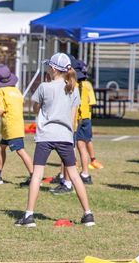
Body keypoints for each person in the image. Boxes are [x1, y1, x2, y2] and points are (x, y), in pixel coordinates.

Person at [14, 53, 95, 227]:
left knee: (37, 174)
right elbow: (72, 117)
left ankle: (29, 215)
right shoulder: (73, 88)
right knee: (74, 175)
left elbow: (35, 108)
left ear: (53, 69)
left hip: (45, 135)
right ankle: (88, 215)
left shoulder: (44, 87)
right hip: (65, 136)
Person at [51, 56, 97, 194]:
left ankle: (65, 178)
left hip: (74, 121)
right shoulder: (87, 85)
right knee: (81, 147)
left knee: (67, 149)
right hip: (86, 118)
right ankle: (85, 174)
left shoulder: (70, 86)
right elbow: (91, 102)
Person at [0, 64, 34, 185]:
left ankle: (34, 177)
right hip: (16, 124)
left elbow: (0, 110)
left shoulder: (1, 91)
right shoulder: (16, 90)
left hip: (11, 127)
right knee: (1, 147)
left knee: (20, 151)